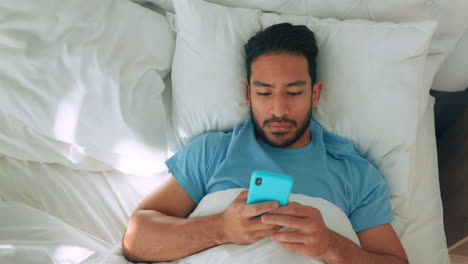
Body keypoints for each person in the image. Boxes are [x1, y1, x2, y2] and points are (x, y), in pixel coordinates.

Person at [121, 23, 409, 263]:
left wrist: (332, 247)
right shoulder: (213, 152)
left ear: (315, 94)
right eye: (265, 92)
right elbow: (136, 240)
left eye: (294, 93)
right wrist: (220, 228)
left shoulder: (355, 173)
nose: (279, 110)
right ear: (248, 95)